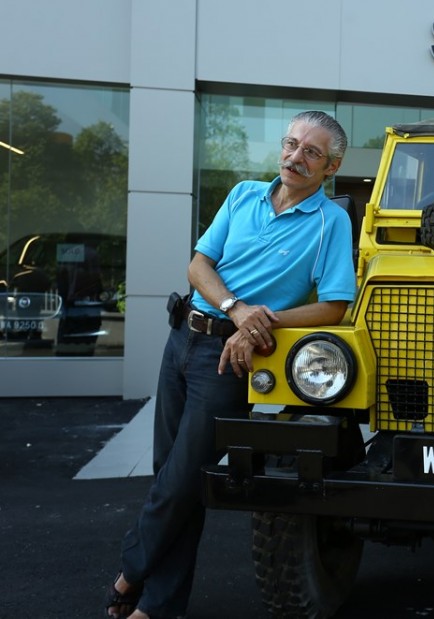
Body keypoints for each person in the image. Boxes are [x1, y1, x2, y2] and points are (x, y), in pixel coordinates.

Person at [105, 111, 357, 619]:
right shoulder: (243, 194)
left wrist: (260, 323)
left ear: (331, 166)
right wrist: (238, 310)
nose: (295, 157)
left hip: (232, 361)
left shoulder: (332, 222)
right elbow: (199, 265)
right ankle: (158, 607)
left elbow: (335, 306)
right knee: (170, 478)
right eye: (291, 144)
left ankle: (129, 575)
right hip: (183, 338)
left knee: (181, 480)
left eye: (311, 152)